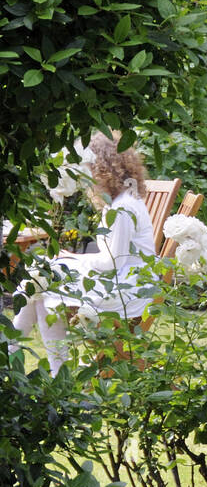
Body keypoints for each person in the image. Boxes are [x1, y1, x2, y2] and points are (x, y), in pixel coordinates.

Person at [11, 132, 157, 375]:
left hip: (129, 290)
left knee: (46, 280)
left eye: (88, 167)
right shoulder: (120, 201)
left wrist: (71, 258)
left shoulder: (122, 208)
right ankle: (26, 354)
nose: (85, 176)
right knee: (44, 280)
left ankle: (16, 350)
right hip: (120, 280)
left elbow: (112, 261)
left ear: (104, 167)